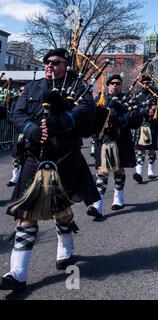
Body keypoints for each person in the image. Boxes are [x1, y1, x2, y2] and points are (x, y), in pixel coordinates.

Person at [0, 48, 100, 292]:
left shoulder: (78, 86)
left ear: (65, 65)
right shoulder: (33, 88)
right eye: (47, 62)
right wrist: (32, 130)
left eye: (55, 62)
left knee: (61, 210)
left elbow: (87, 109)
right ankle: (18, 273)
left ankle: (65, 248)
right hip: (35, 157)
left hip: (65, 157)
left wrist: (65, 120)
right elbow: (17, 113)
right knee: (27, 212)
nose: (49, 65)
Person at [87, 74, 143, 221]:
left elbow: (136, 120)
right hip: (103, 139)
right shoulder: (100, 98)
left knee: (118, 169)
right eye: (112, 83)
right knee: (102, 171)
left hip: (121, 138)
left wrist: (122, 112)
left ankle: (119, 195)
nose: (115, 85)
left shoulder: (129, 99)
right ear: (108, 85)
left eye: (118, 83)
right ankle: (97, 205)